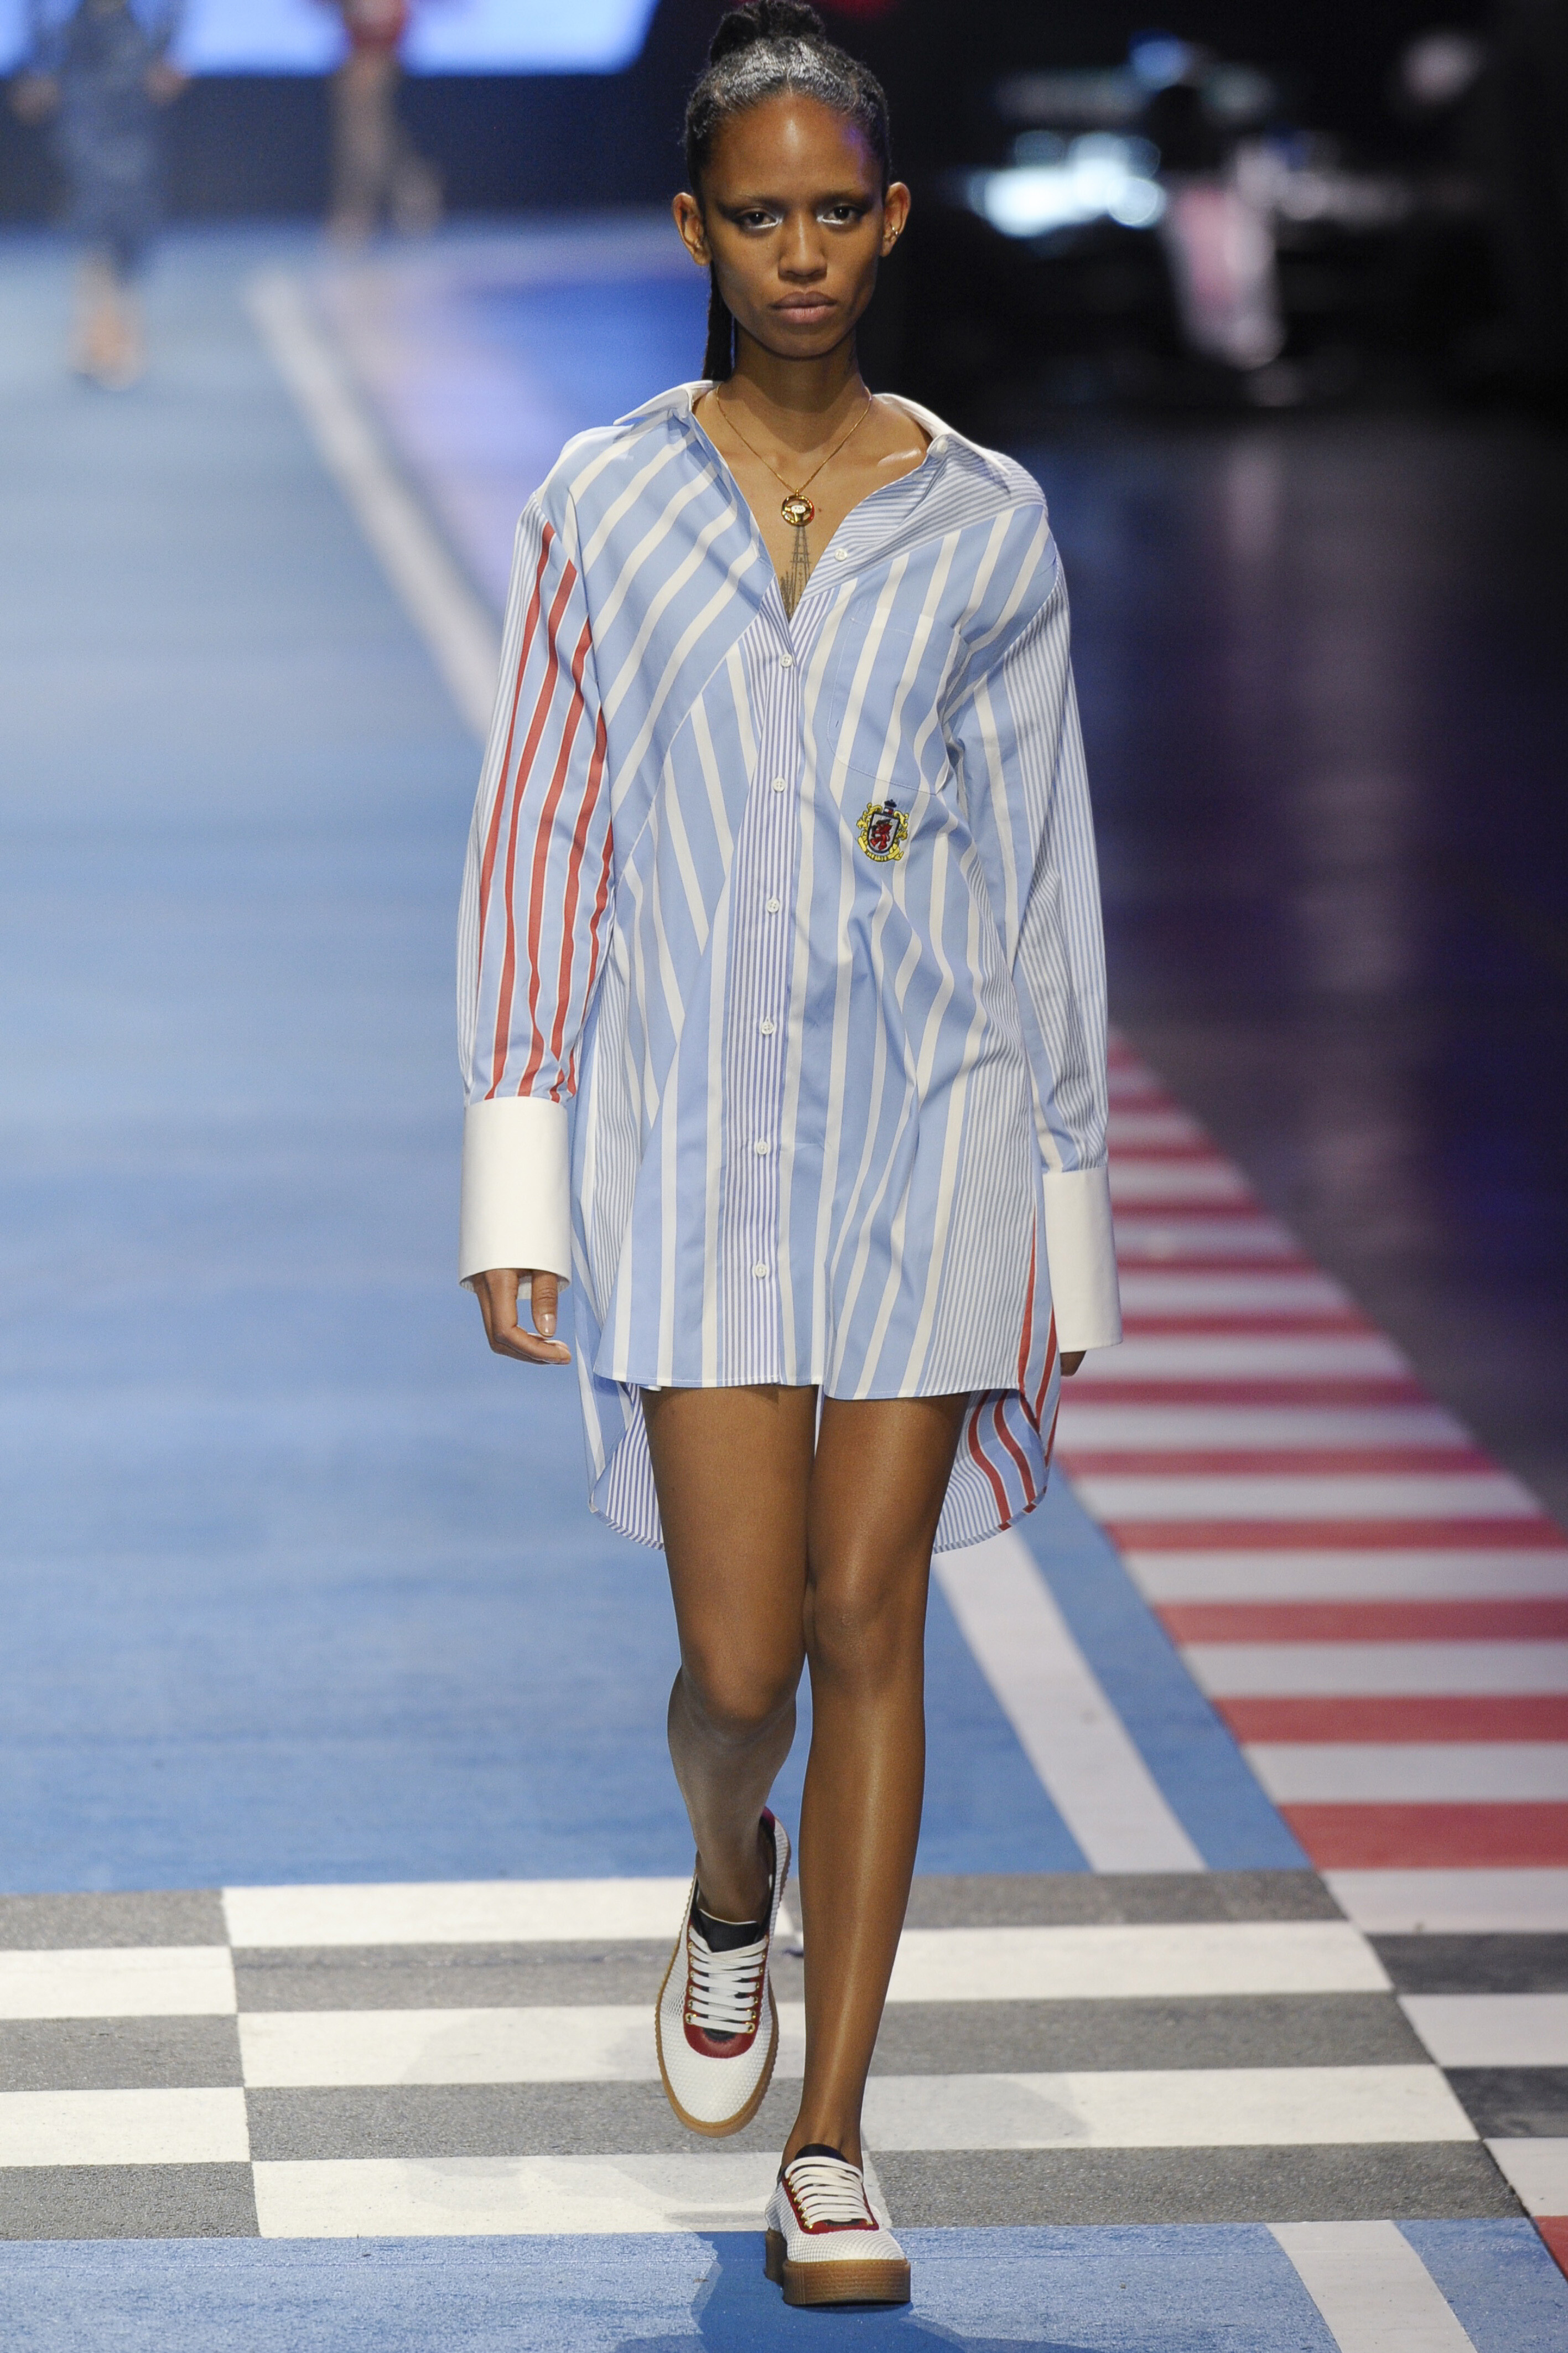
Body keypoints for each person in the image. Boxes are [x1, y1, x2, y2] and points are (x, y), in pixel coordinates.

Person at [457, 0, 1120, 2308]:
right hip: (690, 1142)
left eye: (840, 209)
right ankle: (726, 1874)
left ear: (895, 218)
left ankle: (833, 2137)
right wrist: (518, 1164)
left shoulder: (987, 519)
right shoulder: (599, 501)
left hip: (933, 1129)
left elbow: (1040, 868)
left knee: (869, 1623)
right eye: (763, 215)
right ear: (695, 230)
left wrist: (1066, 1205)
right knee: (740, 1663)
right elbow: (542, 837)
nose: (805, 251)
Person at [9, 0, 184, 388]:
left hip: (134, 97)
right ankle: (96, 335)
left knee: (131, 221)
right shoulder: (67, 33)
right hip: (82, 97)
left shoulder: (141, 32)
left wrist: (169, 48)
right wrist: (39, 65)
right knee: (92, 214)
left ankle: (121, 332)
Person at [320, 0, 439, 245]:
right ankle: (411, 195)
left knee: (367, 140)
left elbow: (388, 20)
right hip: (362, 53)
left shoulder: (390, 15)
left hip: (377, 52)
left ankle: (363, 212)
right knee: (366, 136)